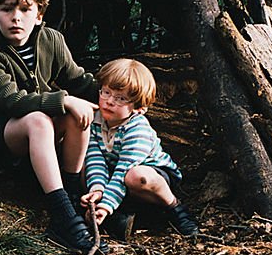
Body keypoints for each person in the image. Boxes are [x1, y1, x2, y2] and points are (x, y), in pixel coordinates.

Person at [0, 0, 103, 254]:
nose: (16, 17)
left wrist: (116, 99)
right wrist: (65, 100)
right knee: (41, 120)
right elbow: (12, 102)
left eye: (25, 9)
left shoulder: (52, 39)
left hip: (38, 129)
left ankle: (70, 199)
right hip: (2, 132)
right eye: (7, 9)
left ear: (39, 15)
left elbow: (78, 80)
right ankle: (63, 215)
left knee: (77, 116)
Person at [81, 58, 199, 239]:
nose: (109, 101)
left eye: (121, 98)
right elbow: (95, 159)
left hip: (151, 175)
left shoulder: (137, 129)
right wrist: (97, 190)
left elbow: (124, 170)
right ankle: (131, 214)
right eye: (106, 92)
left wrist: (105, 205)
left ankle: (174, 207)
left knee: (136, 176)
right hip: (117, 177)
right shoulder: (95, 121)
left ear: (138, 108)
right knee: (83, 166)